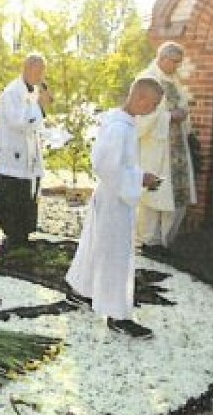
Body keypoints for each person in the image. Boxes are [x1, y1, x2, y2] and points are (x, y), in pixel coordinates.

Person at [65, 79, 165, 339]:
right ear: (140, 98)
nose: (154, 109)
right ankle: (118, 315)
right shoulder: (120, 128)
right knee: (116, 255)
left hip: (112, 195)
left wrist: (139, 175)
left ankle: (81, 290)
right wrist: (140, 179)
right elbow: (105, 166)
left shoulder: (122, 122)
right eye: (153, 104)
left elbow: (119, 165)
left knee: (97, 246)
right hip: (114, 199)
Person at [135, 41, 197, 255]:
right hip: (155, 147)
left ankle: (165, 241)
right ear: (162, 58)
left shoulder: (174, 81)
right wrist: (171, 117)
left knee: (174, 196)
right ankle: (148, 241)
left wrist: (183, 115)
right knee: (153, 194)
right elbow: (140, 114)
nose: (176, 67)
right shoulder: (147, 79)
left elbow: (183, 107)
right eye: (174, 62)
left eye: (179, 63)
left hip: (176, 148)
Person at [0, 53, 52, 251]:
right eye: (38, 71)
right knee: (13, 195)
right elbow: (17, 121)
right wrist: (40, 106)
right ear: (27, 68)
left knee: (27, 194)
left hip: (29, 154)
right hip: (13, 155)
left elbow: (35, 122)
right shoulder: (11, 92)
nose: (41, 76)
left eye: (43, 72)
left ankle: (23, 232)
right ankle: (12, 235)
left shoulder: (32, 90)